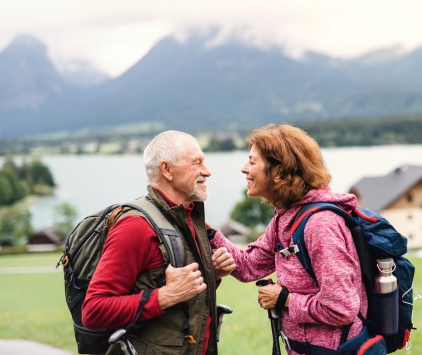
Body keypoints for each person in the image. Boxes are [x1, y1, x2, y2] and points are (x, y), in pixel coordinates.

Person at [207, 124, 368, 355]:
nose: (244, 169)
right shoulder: (286, 218)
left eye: (253, 162)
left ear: (280, 171)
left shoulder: (320, 225)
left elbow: (341, 308)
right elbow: (247, 267)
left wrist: (284, 299)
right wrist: (211, 234)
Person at [83, 130, 236, 355]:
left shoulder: (189, 218)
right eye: (197, 163)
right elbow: (93, 311)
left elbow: (181, 291)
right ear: (167, 170)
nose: (207, 171)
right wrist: (166, 296)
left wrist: (212, 274)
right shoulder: (135, 227)